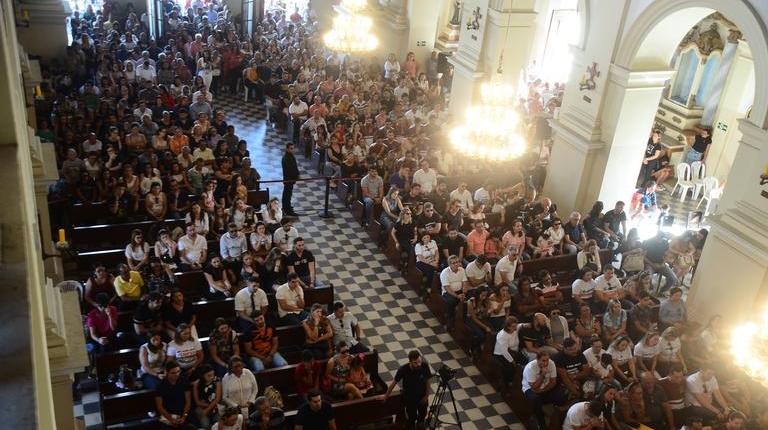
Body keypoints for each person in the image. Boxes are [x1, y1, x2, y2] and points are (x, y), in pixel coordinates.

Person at [382, 350, 432, 430]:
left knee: (422, 416)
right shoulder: (403, 369)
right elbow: (394, 383)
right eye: (415, 363)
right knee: (412, 417)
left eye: (419, 361)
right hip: (410, 398)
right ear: (410, 361)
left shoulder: (424, 366)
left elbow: (428, 381)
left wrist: (426, 396)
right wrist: (386, 396)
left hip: (422, 396)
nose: (418, 364)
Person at [521, 351, 567, 430]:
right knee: (536, 399)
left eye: (547, 360)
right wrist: (542, 375)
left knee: (561, 395)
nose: (546, 363)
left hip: (545, 388)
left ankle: (556, 415)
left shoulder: (551, 364)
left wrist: (543, 390)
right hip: (530, 389)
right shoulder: (530, 367)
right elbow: (534, 387)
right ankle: (541, 423)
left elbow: (553, 382)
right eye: (543, 361)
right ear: (537, 360)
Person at [155, 360, 193, 428]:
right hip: (168, 413)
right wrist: (171, 419)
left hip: (183, 412)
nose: (176, 375)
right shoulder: (161, 385)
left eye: (178, 371)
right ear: (167, 373)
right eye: (173, 373)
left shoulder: (184, 381)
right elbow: (159, 406)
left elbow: (188, 401)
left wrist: (184, 416)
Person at [493, 316, 527, 389]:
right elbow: (504, 351)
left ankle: (523, 380)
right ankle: (508, 383)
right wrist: (512, 361)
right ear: (507, 327)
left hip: (513, 352)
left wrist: (526, 325)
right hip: (501, 354)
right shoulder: (502, 335)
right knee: (510, 368)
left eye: (516, 326)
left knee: (525, 361)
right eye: (513, 326)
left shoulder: (515, 330)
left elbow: (521, 325)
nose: (515, 328)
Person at [221, 355, 258, 420]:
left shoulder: (248, 373)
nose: (239, 368)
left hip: (250, 406)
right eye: (235, 367)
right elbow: (224, 397)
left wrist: (250, 401)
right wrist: (237, 406)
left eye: (240, 365)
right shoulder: (226, 378)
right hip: (234, 409)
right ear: (231, 368)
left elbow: (255, 389)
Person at [192, 364, 222, 428]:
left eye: (213, 375)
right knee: (206, 425)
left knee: (218, 423)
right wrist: (208, 408)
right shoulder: (197, 384)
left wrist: (208, 409)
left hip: (214, 405)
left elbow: (217, 398)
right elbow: (197, 402)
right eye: (209, 375)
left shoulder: (217, 381)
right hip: (202, 406)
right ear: (203, 375)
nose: (211, 377)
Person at [281, 142, 299, 216]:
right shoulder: (286, 158)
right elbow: (290, 169)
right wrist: (296, 176)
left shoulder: (290, 155)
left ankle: (287, 207)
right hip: (288, 179)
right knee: (287, 194)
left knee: (288, 194)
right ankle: (287, 209)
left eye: (293, 148)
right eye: (291, 148)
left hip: (290, 179)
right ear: (287, 148)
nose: (293, 150)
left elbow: (294, 166)